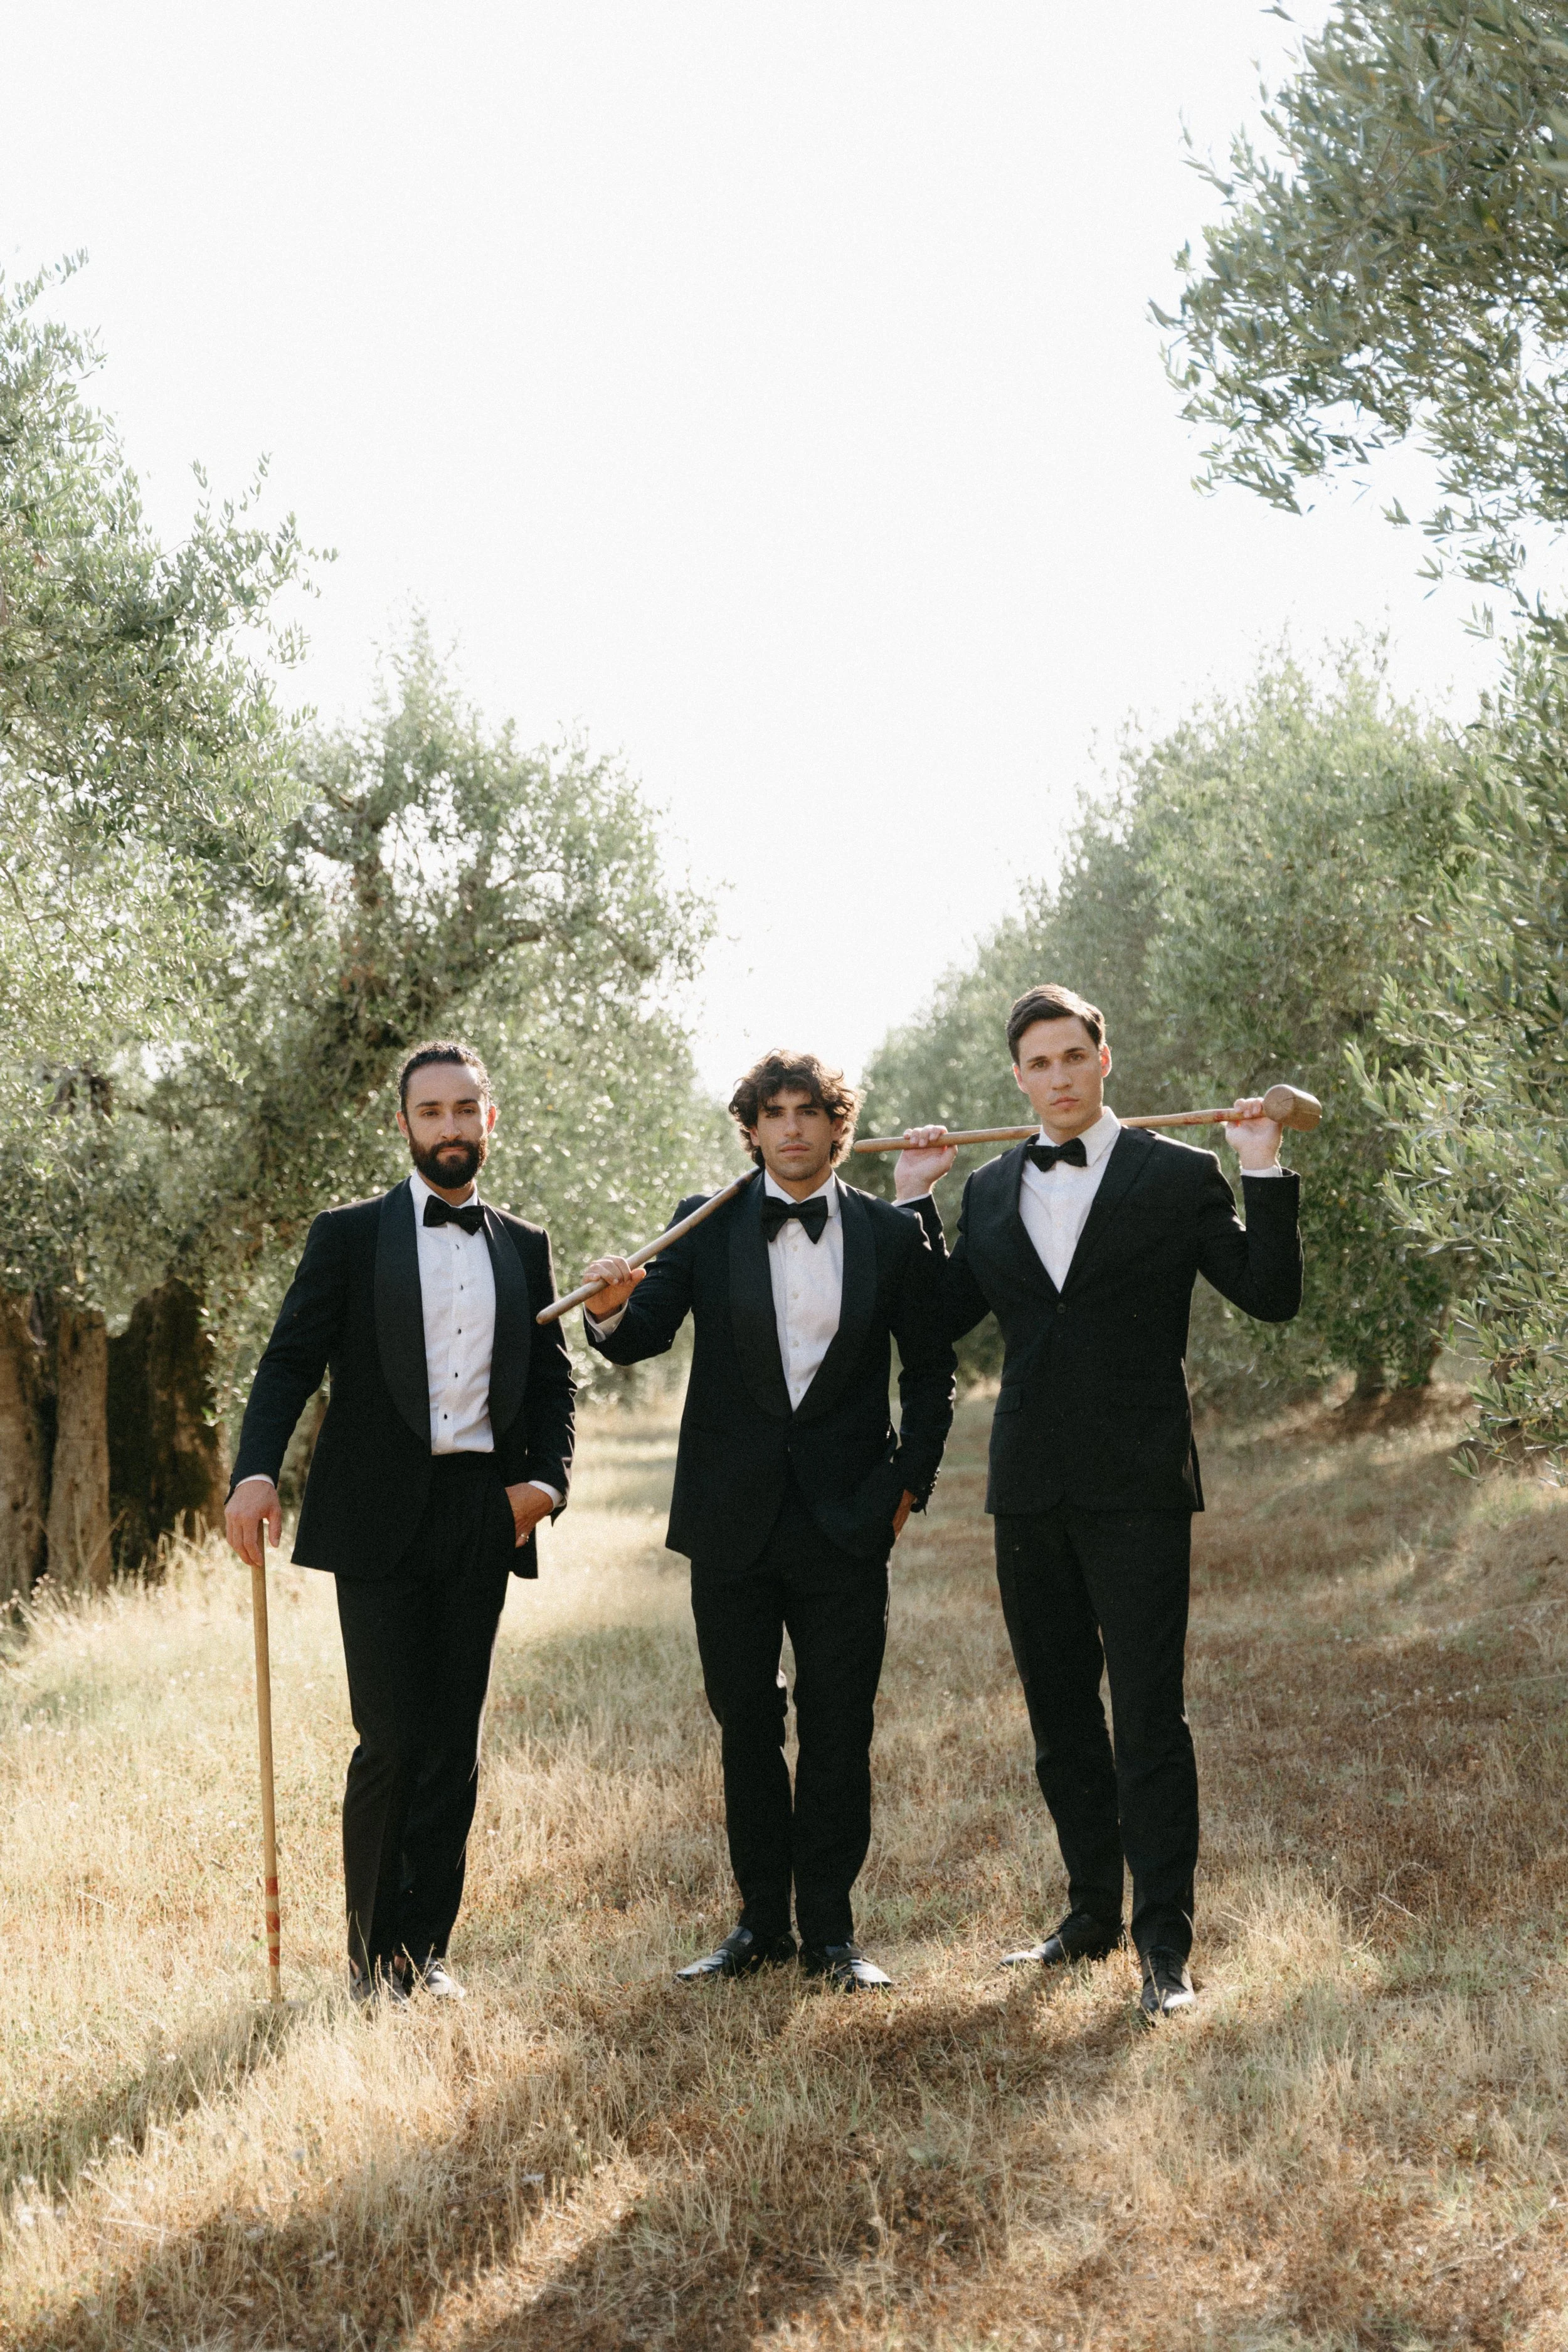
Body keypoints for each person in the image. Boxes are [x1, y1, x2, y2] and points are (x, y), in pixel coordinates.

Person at [892, 985, 1301, 2019]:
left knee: (1149, 1717)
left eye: (1074, 1056)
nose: (1059, 1077)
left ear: (1103, 1060)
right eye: (1039, 1063)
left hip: (1139, 1483)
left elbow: (1271, 1291)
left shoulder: (1179, 1174)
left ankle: (1166, 1944)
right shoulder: (987, 1190)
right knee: (1060, 1714)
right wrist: (912, 1203)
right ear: (1017, 1077)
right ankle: (1089, 1916)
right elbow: (935, 1319)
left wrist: (1262, 1167)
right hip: (1028, 1486)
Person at [578, 1049, 955, 1991]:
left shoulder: (888, 1231)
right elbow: (644, 1337)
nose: (792, 1128)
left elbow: (934, 1370)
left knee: (839, 1726)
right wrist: (611, 1314)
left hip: (848, 1521)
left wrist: (908, 1483)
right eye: (773, 1113)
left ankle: (831, 1932)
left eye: (810, 1111)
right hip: (730, 1522)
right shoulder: (702, 1225)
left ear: (839, 1126)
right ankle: (758, 1925)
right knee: (745, 1723)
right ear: (751, 1129)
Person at [225, 1041, 575, 2004]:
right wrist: (255, 1469)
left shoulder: (525, 1244)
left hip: (482, 1511)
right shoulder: (347, 1235)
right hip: (376, 1511)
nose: (451, 1127)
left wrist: (544, 1486)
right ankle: (372, 1959)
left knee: (453, 1743)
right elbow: (289, 1359)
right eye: (433, 1112)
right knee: (390, 1739)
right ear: (405, 1124)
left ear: (489, 1120)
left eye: (467, 1109)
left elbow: (553, 1385)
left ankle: (429, 1950)